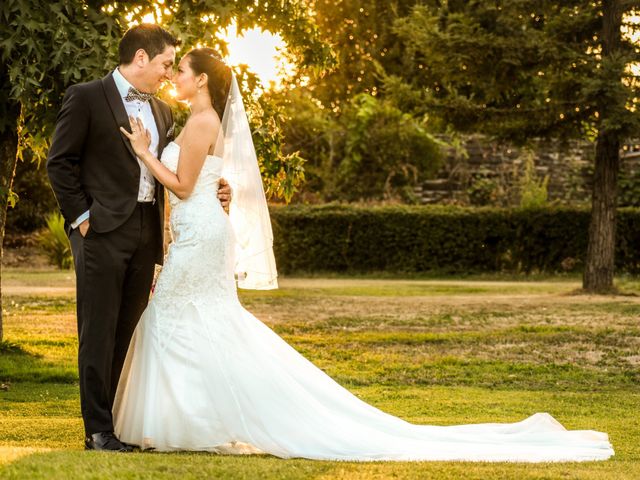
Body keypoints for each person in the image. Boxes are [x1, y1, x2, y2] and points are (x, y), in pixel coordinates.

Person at [113, 48, 614, 462]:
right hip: (201, 230)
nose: (174, 75)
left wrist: (143, 152)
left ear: (200, 80)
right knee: (190, 323)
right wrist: (204, 184)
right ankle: (193, 423)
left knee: (178, 319)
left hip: (200, 233)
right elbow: (200, 181)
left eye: (180, 69)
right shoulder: (201, 119)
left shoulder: (202, 120)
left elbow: (179, 186)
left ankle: (194, 423)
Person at [46, 25, 232, 452]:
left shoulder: (165, 113)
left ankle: (118, 424)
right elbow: (60, 163)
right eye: (167, 63)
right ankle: (97, 431)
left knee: (130, 333)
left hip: (147, 234)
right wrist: (82, 219)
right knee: (97, 330)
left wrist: (218, 187)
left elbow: (183, 172)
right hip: (101, 233)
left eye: (175, 67)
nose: (169, 73)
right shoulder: (87, 96)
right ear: (143, 58)